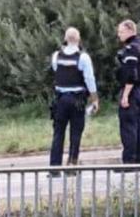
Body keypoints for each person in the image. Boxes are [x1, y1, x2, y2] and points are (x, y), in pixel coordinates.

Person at [49, 27, 99, 172]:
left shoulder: (56, 56)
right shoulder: (83, 57)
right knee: (75, 133)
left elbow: (55, 71)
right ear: (78, 39)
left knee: (58, 133)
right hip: (77, 99)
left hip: (60, 100)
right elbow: (90, 79)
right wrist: (95, 99)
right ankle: (72, 164)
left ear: (65, 39)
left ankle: (54, 167)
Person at [116, 20, 140, 164]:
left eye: (121, 32)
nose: (119, 35)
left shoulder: (131, 49)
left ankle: (129, 161)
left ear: (130, 30)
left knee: (128, 127)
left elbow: (131, 74)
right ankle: (139, 160)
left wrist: (125, 95)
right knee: (138, 127)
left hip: (132, 91)